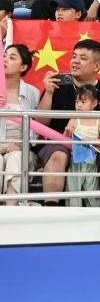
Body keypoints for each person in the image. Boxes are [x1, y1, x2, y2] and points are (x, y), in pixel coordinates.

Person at [37, 39, 100, 206]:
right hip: (60, 144)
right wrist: (48, 93)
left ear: (97, 66)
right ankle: (51, 209)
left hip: (96, 145)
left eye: (83, 58)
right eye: (74, 56)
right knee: (57, 156)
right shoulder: (56, 87)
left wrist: (95, 143)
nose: (75, 61)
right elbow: (41, 123)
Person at [0, 44, 40, 203]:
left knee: (16, 158)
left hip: (21, 149)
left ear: (23, 67)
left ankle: (11, 207)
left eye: (12, 57)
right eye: (4, 56)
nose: (5, 60)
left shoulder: (33, 92)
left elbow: (36, 128)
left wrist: (21, 145)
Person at [64, 85, 100, 207]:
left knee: (92, 193)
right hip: (76, 162)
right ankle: (72, 214)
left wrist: (92, 140)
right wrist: (67, 133)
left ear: (94, 103)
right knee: (73, 192)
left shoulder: (99, 121)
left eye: (83, 102)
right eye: (77, 102)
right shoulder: (74, 120)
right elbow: (65, 140)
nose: (79, 105)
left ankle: (95, 214)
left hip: (91, 162)